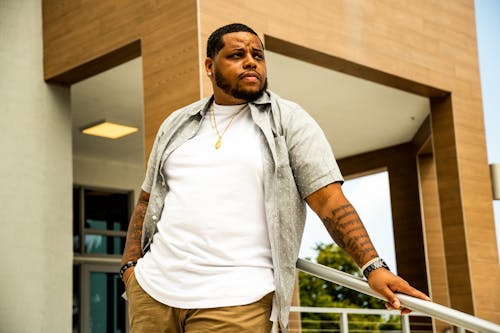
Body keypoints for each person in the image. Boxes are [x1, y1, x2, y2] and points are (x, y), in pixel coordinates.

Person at [120, 23, 429, 333]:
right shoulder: (177, 123)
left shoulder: (290, 122)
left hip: (237, 301)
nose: (251, 61)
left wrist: (373, 267)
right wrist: (131, 268)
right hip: (153, 294)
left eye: (258, 55)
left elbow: (329, 200)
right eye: (237, 55)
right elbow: (147, 199)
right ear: (210, 66)